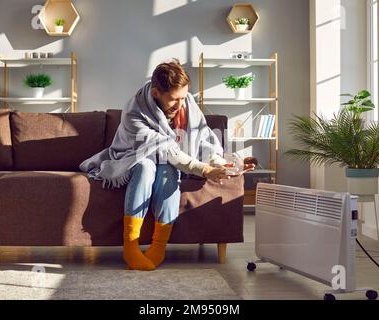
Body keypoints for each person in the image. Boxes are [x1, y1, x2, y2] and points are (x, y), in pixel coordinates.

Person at [80, 60, 254, 271]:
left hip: (168, 162)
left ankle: (159, 246)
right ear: (155, 94)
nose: (181, 105)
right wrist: (205, 170)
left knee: (168, 169)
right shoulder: (134, 112)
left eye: (183, 98)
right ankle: (131, 247)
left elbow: (205, 142)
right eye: (174, 100)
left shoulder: (187, 102)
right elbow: (168, 150)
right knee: (146, 167)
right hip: (133, 156)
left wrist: (224, 165)